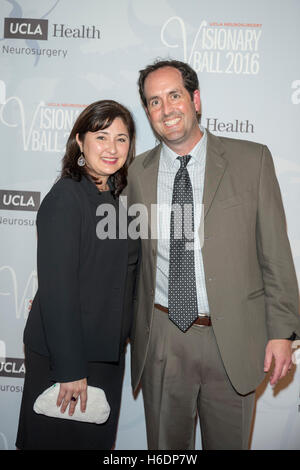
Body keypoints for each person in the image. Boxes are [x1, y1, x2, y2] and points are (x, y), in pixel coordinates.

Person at [124, 59, 300, 450]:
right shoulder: (137, 173)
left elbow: (276, 253)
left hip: (234, 338)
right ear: (148, 112)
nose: (167, 109)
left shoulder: (251, 160)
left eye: (174, 96)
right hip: (163, 336)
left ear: (195, 99)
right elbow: (123, 258)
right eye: (154, 102)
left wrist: (282, 333)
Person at [16, 100, 139, 450]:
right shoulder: (67, 197)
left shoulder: (113, 198)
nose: (112, 148)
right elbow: (58, 290)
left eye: (122, 138)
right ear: (80, 142)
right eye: (102, 137)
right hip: (68, 358)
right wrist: (70, 369)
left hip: (104, 355)